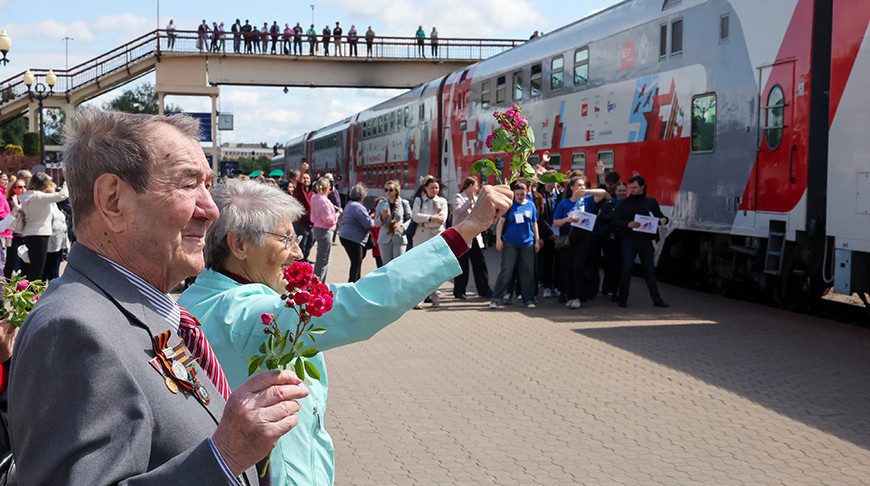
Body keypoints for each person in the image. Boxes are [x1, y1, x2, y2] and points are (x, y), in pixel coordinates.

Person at [9, 109, 309, 484]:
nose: (212, 209)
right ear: (113, 200)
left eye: (207, 184)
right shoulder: (73, 330)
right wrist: (224, 455)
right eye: (188, 185)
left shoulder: (142, 309)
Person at [178, 179, 511, 486]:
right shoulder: (245, 314)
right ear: (238, 245)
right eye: (286, 239)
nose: (296, 251)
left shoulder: (198, 298)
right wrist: (466, 230)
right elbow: (364, 303)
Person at [552, 175, 610, 309]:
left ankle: (578, 296)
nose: (582, 188)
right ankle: (569, 295)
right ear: (572, 187)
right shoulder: (564, 203)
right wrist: (567, 220)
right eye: (579, 185)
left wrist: (588, 192)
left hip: (584, 236)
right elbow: (556, 222)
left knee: (579, 266)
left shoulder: (588, 200)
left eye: (584, 185)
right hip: (568, 235)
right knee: (567, 267)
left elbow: (604, 193)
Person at [613, 175, 669, 308]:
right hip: (630, 240)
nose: (632, 190)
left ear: (642, 187)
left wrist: (663, 220)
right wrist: (628, 224)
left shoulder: (650, 202)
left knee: (649, 271)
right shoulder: (624, 203)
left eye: (635, 187)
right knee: (626, 269)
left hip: (646, 241)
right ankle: (623, 298)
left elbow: (660, 216)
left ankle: (656, 298)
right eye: (630, 187)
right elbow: (615, 220)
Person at [489, 180, 542, 309]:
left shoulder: (531, 205)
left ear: (526, 193)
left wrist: (537, 240)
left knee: (527, 271)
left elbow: (534, 224)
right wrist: (498, 239)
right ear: (514, 193)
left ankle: (529, 298)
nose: (520, 197)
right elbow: (501, 222)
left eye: (522, 194)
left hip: (527, 243)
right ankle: (496, 298)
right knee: (507, 270)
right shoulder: (510, 205)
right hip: (510, 242)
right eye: (517, 194)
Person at [19, 173, 69, 281]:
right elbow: (62, 195)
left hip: (29, 233)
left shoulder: (27, 195)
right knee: (38, 270)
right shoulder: (39, 196)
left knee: (34, 267)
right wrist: (66, 180)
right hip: (40, 234)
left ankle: (32, 294)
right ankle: (34, 296)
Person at [452, 177, 491, 300]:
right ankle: (459, 291)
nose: (477, 188)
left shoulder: (477, 198)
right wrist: (470, 200)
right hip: (462, 236)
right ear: (469, 186)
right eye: (475, 186)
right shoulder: (458, 197)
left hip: (475, 236)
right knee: (462, 265)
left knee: (480, 264)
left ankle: (484, 290)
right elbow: (459, 211)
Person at [411, 176, 448, 307]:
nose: (434, 190)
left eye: (436, 187)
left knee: (435, 268)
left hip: (437, 236)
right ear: (425, 188)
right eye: (432, 188)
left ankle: (435, 297)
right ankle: (419, 299)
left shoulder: (442, 201)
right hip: (421, 237)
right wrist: (432, 217)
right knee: (421, 269)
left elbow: (443, 218)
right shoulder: (418, 200)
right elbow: (415, 216)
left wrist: (425, 220)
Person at [338, 183, 373, 282]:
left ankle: (356, 281)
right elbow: (367, 224)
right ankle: (352, 284)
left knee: (356, 262)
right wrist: (374, 220)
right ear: (361, 196)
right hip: (354, 238)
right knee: (356, 263)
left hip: (345, 236)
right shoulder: (358, 206)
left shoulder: (349, 205)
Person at [310, 176, 342, 282]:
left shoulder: (314, 198)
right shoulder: (324, 201)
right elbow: (329, 219)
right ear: (326, 188)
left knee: (321, 257)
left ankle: (318, 281)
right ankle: (318, 283)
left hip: (317, 228)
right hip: (325, 231)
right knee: (323, 260)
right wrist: (337, 214)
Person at [373, 179, 411, 265]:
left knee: (398, 265)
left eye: (390, 190)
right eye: (386, 190)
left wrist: (403, 227)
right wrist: (382, 217)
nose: (388, 192)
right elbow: (376, 223)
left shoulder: (404, 203)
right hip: (384, 239)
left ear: (396, 191)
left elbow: (410, 219)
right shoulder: (381, 203)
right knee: (387, 266)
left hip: (399, 238)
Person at [292, 162, 315, 262]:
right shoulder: (299, 191)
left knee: (309, 246)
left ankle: (305, 263)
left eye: (308, 178)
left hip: (313, 225)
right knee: (301, 247)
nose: (306, 180)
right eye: (304, 178)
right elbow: (300, 184)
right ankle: (298, 266)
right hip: (302, 224)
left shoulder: (313, 193)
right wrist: (302, 171)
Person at [3, 180, 26, 278]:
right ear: (14, 189)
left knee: (25, 262)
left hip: (26, 236)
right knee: (11, 262)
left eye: (24, 186)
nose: (23, 189)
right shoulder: (11, 202)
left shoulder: (27, 200)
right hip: (14, 236)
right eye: (20, 187)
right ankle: (6, 284)